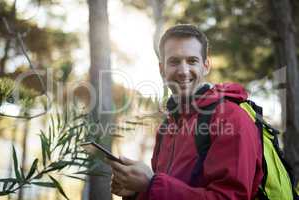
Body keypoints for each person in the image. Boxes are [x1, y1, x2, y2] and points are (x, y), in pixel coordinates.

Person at [108, 24, 264, 200]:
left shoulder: (231, 118)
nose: (183, 71)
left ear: (206, 66)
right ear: (162, 69)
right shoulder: (167, 126)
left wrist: (151, 184)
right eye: (174, 61)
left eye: (192, 61)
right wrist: (138, 191)